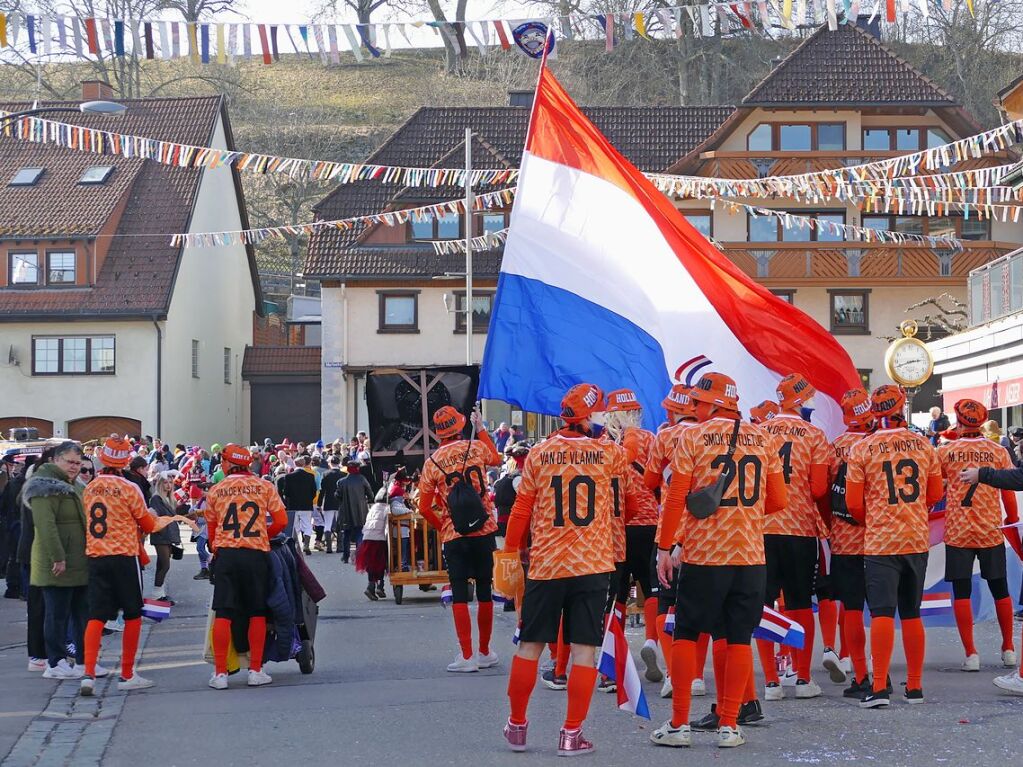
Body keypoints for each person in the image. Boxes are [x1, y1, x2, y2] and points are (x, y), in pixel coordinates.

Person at [502, 383, 639, 756]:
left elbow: (521, 510)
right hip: (593, 563)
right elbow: (628, 482)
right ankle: (571, 734)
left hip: (546, 563)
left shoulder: (538, 453)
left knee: (530, 646)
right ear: (591, 417)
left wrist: (511, 551)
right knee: (583, 651)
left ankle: (517, 726)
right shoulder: (609, 452)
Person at [651, 372, 786, 750]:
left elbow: (676, 497)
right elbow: (778, 500)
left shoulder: (691, 436)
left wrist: (665, 547)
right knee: (739, 636)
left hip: (705, 553)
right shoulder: (763, 436)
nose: (693, 408)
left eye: (698, 402)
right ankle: (729, 725)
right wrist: (746, 515)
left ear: (715, 403)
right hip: (749, 553)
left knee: (687, 634)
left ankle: (679, 724)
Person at [846, 385, 943, 707]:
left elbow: (852, 504)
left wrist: (872, 518)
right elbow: (934, 495)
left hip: (880, 540)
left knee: (882, 612)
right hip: (915, 538)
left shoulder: (862, 448)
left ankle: (878, 687)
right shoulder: (924, 446)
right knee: (912, 612)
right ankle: (914, 687)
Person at [81, 436, 178, 695]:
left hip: (95, 556)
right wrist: (155, 517)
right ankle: (127, 673)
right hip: (124, 556)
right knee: (133, 614)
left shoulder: (89, 487)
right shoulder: (129, 488)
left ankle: (88, 673)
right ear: (124, 461)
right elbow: (146, 525)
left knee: (96, 615)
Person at [756, 373, 831, 700]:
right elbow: (818, 489)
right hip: (800, 527)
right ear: (800, 400)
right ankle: (802, 677)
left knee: (763, 603)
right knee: (801, 603)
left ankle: (771, 681)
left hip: (762, 527)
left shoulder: (759, 433)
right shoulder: (815, 435)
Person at [419, 405, 502, 673]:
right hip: (484, 528)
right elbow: (497, 459)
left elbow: (424, 506)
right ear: (460, 425)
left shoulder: (431, 463)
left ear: (438, 433)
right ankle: (485, 651)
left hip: (454, 533)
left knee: (459, 594)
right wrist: (480, 429)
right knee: (485, 590)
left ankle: (466, 656)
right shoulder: (475, 448)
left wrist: (442, 525)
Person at [938, 399, 1020, 672]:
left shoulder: (946, 451)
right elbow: (1007, 489)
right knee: (1000, 588)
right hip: (989, 529)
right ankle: (1008, 648)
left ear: (959, 421)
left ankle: (971, 653)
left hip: (958, 530)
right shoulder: (997, 450)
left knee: (961, 590)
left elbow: (935, 491)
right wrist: (1013, 520)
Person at [206, 444, 288, 690]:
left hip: (227, 555)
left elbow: (211, 537)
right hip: (255, 555)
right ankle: (255, 670)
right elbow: (281, 521)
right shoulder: (264, 486)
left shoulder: (216, 490)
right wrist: (264, 532)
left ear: (228, 464)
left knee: (223, 613)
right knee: (257, 613)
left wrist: (218, 547)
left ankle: (220, 674)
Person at [602, 389, 663, 685]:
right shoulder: (651, 439)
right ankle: (651, 641)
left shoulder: (602, 446)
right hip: (650, 522)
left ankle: (614, 664)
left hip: (616, 526)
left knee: (616, 595)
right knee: (651, 588)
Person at [643, 384, 699, 701]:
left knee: (667, 602)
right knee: (699, 607)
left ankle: (675, 674)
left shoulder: (664, 437)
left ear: (674, 410)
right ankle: (696, 675)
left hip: (669, 529)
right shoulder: (708, 433)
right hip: (706, 532)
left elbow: (650, 482)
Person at [26, 442, 99, 680]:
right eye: (69, 462)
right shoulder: (44, 486)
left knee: (82, 613)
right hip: (57, 563)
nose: (74, 467)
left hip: (79, 562)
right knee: (57, 614)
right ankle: (55, 662)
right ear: (55, 460)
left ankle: (84, 661)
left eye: (78, 463)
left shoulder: (74, 486)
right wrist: (57, 557)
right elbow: (46, 526)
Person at [824, 389, 876, 699]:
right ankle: (882, 674)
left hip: (845, 539)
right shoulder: (883, 443)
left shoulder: (837, 447)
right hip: (884, 539)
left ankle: (860, 674)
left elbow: (822, 489)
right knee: (884, 611)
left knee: (852, 608)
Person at [149, 473, 182, 603]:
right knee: (164, 565)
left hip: (167, 535)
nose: (168, 485)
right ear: (160, 483)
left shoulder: (170, 498)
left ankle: (159, 593)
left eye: (170, 482)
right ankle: (157, 595)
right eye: (165, 482)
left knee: (162, 564)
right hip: (161, 535)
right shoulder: (157, 498)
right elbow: (158, 517)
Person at [335, 459, 374, 564]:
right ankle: (360, 557)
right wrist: (368, 500)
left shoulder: (341, 482)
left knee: (346, 534)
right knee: (359, 533)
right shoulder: (362, 479)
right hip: (360, 511)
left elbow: (338, 496)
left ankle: (345, 556)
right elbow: (370, 494)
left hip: (346, 511)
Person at [278, 456, 318, 555]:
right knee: (307, 525)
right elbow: (314, 491)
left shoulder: (288, 476)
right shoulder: (310, 476)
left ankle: (296, 546)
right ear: (304, 464)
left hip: (293, 505)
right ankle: (306, 545)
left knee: (295, 526)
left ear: (295, 464)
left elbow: (286, 493)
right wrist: (308, 499)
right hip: (306, 505)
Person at [356, 488, 390, 600]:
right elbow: (387, 528)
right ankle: (377, 587)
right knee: (381, 563)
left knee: (372, 564)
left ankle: (373, 586)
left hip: (367, 538)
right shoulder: (386, 509)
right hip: (379, 539)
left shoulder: (373, 508)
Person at [318, 456, 344, 554]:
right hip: (340, 502)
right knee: (340, 524)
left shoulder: (325, 474)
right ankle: (339, 546)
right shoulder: (343, 474)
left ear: (330, 463)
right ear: (339, 463)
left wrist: (319, 504)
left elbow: (322, 491)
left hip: (328, 502)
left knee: (327, 524)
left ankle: (329, 547)